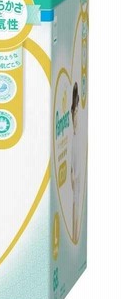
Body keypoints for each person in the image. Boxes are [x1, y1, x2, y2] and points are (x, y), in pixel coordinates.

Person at [70, 82, 80, 243]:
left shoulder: (77, 138)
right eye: (74, 110)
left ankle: (75, 238)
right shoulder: (73, 137)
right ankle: (74, 237)